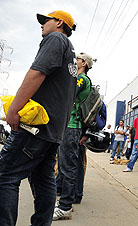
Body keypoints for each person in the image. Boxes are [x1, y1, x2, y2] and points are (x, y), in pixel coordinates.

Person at [0, 10, 77, 226]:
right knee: (44, 180)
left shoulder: (55, 39)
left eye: (46, 21)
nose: (41, 25)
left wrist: (14, 109)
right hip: (53, 131)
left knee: (5, 176)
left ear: (59, 22)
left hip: (36, 127)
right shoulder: (70, 52)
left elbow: (36, 73)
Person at [54, 52, 94, 221]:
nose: (74, 60)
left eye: (77, 59)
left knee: (67, 167)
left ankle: (65, 206)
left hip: (72, 127)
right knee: (67, 165)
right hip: (70, 127)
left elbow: (66, 92)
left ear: (83, 63)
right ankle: (67, 199)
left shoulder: (81, 79)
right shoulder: (80, 78)